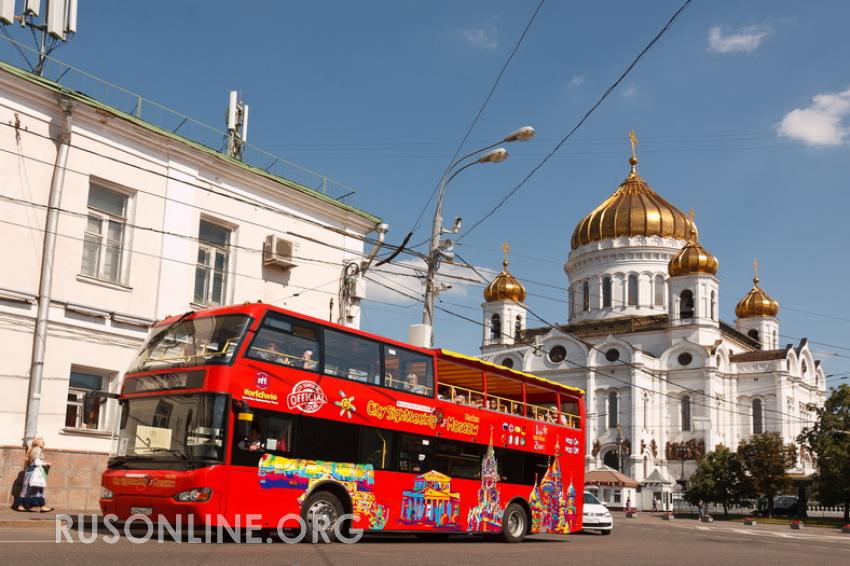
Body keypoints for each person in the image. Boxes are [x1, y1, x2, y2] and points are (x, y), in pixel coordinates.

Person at [15, 437, 53, 512]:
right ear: (38, 443)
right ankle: (42, 506)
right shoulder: (37, 449)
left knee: (27, 489)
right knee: (38, 489)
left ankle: (22, 505)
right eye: (42, 442)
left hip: (30, 472)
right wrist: (46, 463)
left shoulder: (34, 449)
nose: (44, 443)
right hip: (34, 472)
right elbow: (36, 462)